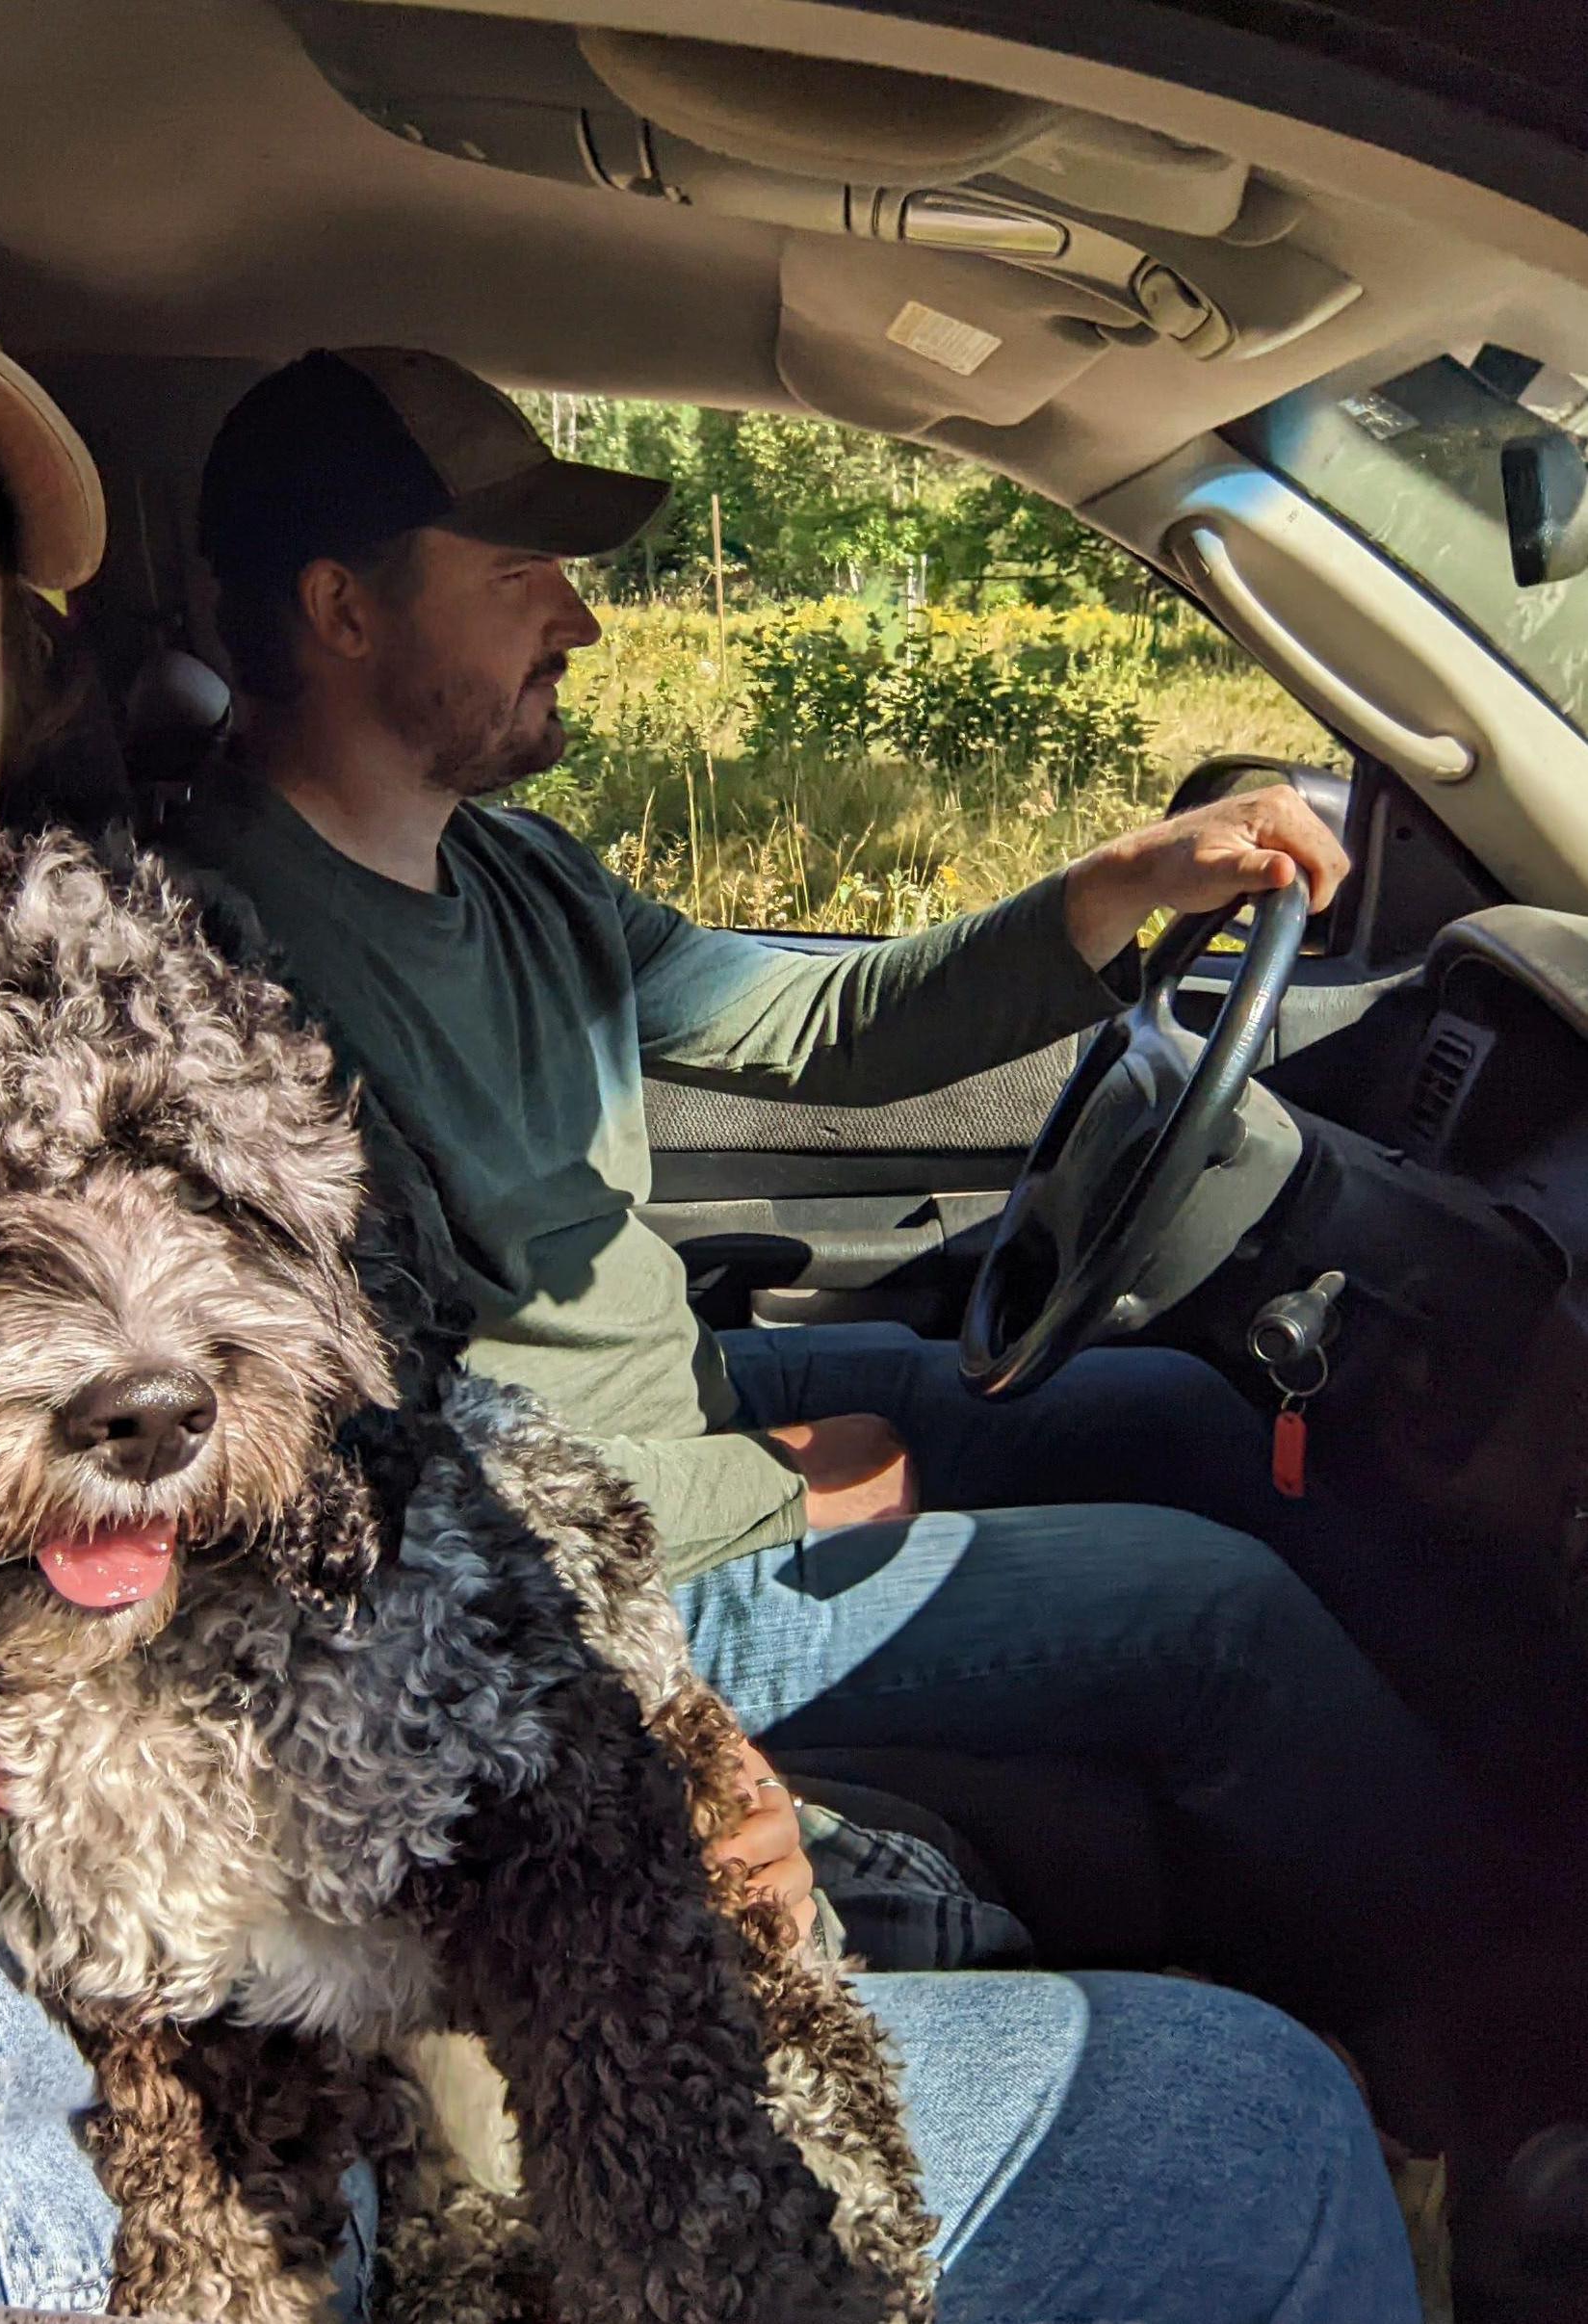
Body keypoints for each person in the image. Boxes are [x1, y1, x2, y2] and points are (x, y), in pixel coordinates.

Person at [0, 140, 1418, 2321]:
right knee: (1236, 2014)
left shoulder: (485, 891)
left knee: (1182, 1625)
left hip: (379, 2038)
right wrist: (738, 1511)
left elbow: (469, 1356)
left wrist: (622, 1741)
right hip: (283, 2141)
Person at [172, 347, 1579, 2202]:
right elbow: (370, 1467)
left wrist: (1119, 885)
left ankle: (1449, 1866)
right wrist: (777, 1485)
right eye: (518, 575)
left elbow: (813, 1024)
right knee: (1214, 1613)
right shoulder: (220, 968)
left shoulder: (510, 874)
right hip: (581, 1586)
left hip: (669, 1422)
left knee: (1168, 1408)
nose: (578, 620)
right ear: (342, 610)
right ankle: (1511, 2046)